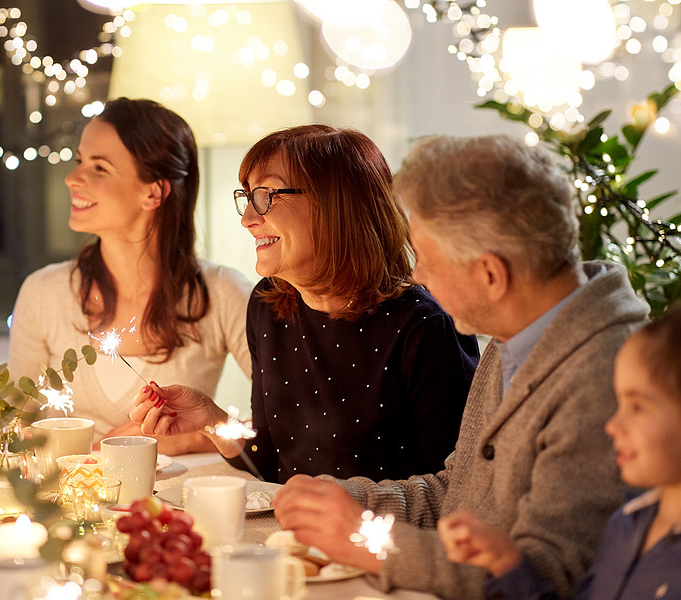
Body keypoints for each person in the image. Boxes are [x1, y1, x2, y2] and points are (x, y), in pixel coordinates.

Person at [270, 134, 650, 599]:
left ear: (490, 275)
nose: (417, 275)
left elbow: (545, 576)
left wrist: (371, 544)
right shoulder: (517, 334)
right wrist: (353, 502)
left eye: (427, 259)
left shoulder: (605, 377)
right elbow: (458, 496)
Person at [131, 125, 478, 482]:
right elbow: (268, 459)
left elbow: (458, 487)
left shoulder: (423, 328)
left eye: (265, 195)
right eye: (248, 196)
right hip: (293, 534)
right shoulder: (268, 305)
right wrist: (211, 420)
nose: (248, 218)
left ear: (336, 204)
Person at [8, 98, 252, 456]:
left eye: (100, 168)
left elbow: (282, 427)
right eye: (79, 161)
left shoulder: (222, 292)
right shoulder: (44, 293)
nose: (73, 178)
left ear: (153, 191)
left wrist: (194, 435)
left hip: (181, 511)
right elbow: (14, 432)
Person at [438, 304, 681, 600]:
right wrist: (507, 565)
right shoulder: (626, 521)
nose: (612, 425)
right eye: (619, 404)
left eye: (638, 407)